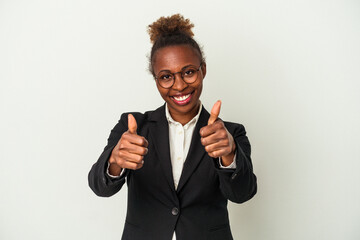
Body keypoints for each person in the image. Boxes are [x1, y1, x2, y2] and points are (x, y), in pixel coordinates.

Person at [88, 14, 257, 240]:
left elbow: (242, 194)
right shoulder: (133, 127)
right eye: (166, 76)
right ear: (157, 80)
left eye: (188, 72)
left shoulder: (230, 134)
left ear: (203, 70)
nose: (179, 86)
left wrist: (229, 154)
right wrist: (115, 161)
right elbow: (100, 187)